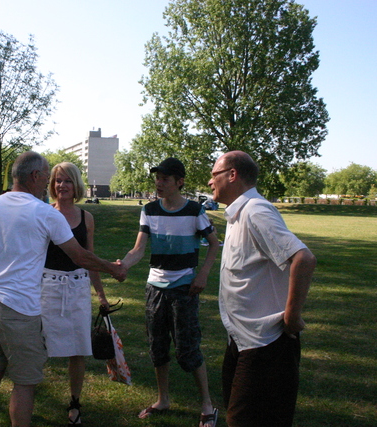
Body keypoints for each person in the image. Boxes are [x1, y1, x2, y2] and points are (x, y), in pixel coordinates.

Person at [0, 151, 126, 427]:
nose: (50, 181)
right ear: (35, 176)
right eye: (48, 175)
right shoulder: (45, 213)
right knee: (24, 384)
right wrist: (114, 268)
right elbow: (80, 257)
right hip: (20, 311)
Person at [208, 151, 317, 426]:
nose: (210, 182)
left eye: (214, 175)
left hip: (266, 345)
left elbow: (303, 258)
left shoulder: (256, 211)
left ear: (232, 175)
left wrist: (291, 318)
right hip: (243, 341)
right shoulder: (237, 215)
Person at [120, 157, 220, 427]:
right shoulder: (149, 210)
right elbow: (139, 248)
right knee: (158, 347)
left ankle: (207, 405)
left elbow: (213, 244)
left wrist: (202, 274)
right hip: (155, 287)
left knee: (188, 349)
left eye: (165, 179)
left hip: (184, 288)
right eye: (157, 178)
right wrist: (123, 265)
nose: (159, 183)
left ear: (180, 181)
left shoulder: (195, 211)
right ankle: (163, 399)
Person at [40, 162, 109, 426]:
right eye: (57, 181)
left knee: (78, 350)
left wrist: (101, 295)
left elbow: (88, 259)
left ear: (76, 184)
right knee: (37, 345)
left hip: (78, 288)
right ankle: (26, 393)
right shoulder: (44, 214)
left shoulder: (86, 218)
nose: (61, 186)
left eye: (67, 181)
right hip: (48, 288)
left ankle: (75, 402)